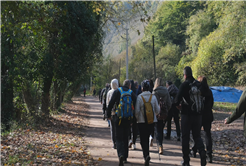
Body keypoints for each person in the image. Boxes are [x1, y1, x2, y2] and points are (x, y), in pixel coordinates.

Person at [175, 66, 206, 166]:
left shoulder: (184, 85)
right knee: (197, 136)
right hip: (198, 115)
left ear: (185, 75)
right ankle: (202, 152)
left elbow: (176, 100)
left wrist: (179, 106)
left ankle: (186, 161)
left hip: (186, 115)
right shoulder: (198, 84)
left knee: (185, 138)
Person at [107, 79, 137, 166]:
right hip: (128, 119)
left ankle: (120, 155)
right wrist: (134, 119)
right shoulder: (131, 93)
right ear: (129, 86)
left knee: (119, 138)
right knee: (126, 137)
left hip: (118, 118)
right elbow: (136, 104)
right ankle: (125, 158)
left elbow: (111, 103)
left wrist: (108, 115)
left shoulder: (117, 91)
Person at [135, 80, 160, 166]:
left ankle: (146, 155)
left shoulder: (139, 97)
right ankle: (147, 155)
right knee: (148, 137)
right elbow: (157, 110)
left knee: (143, 140)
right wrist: (153, 116)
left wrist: (137, 119)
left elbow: (137, 111)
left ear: (142, 88)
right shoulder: (153, 97)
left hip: (141, 122)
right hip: (151, 122)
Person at [191, 76, 214, 163]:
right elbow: (211, 103)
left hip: (199, 115)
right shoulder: (209, 92)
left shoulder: (199, 92)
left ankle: (195, 149)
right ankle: (209, 153)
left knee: (197, 134)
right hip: (208, 115)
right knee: (207, 134)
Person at [152, 78, 172, 154]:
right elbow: (169, 103)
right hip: (164, 114)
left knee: (157, 130)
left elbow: (152, 103)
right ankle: (160, 144)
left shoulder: (154, 91)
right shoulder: (166, 91)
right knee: (161, 129)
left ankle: (160, 145)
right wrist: (166, 110)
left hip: (157, 114)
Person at [106, 79, 119, 149]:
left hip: (112, 113)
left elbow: (107, 103)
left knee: (113, 129)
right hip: (119, 113)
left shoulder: (109, 92)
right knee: (118, 129)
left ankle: (114, 143)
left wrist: (107, 114)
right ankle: (118, 142)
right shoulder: (120, 91)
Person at [128, 80, 138, 150]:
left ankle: (129, 140)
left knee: (128, 127)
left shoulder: (126, 92)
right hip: (135, 113)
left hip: (127, 113)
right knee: (135, 129)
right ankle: (134, 143)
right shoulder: (136, 92)